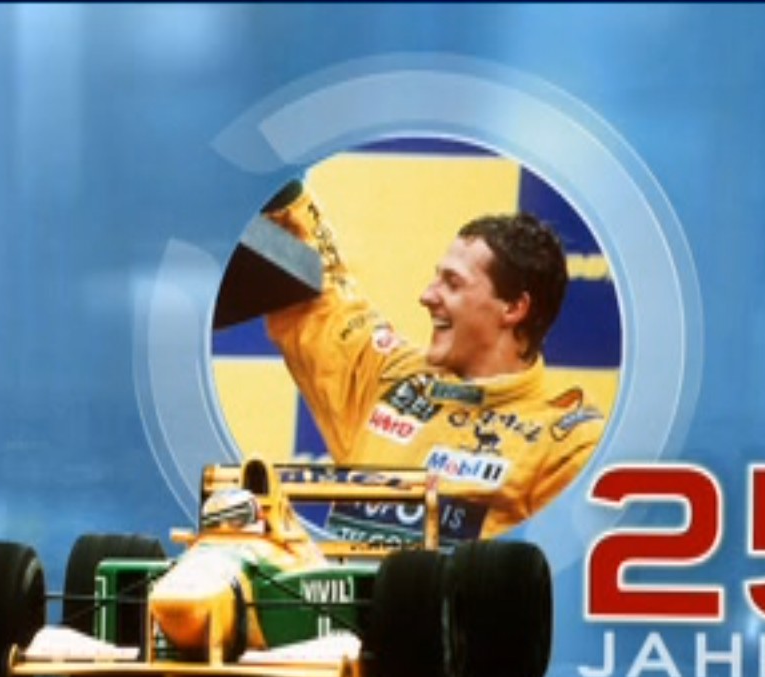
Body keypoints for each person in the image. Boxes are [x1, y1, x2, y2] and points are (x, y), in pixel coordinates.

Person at [256, 176, 606, 543]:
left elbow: (568, 566)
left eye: (452, 283)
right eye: (436, 278)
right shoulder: (387, 375)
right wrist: (277, 189)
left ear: (514, 308)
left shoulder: (567, 445)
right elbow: (321, 293)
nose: (426, 296)